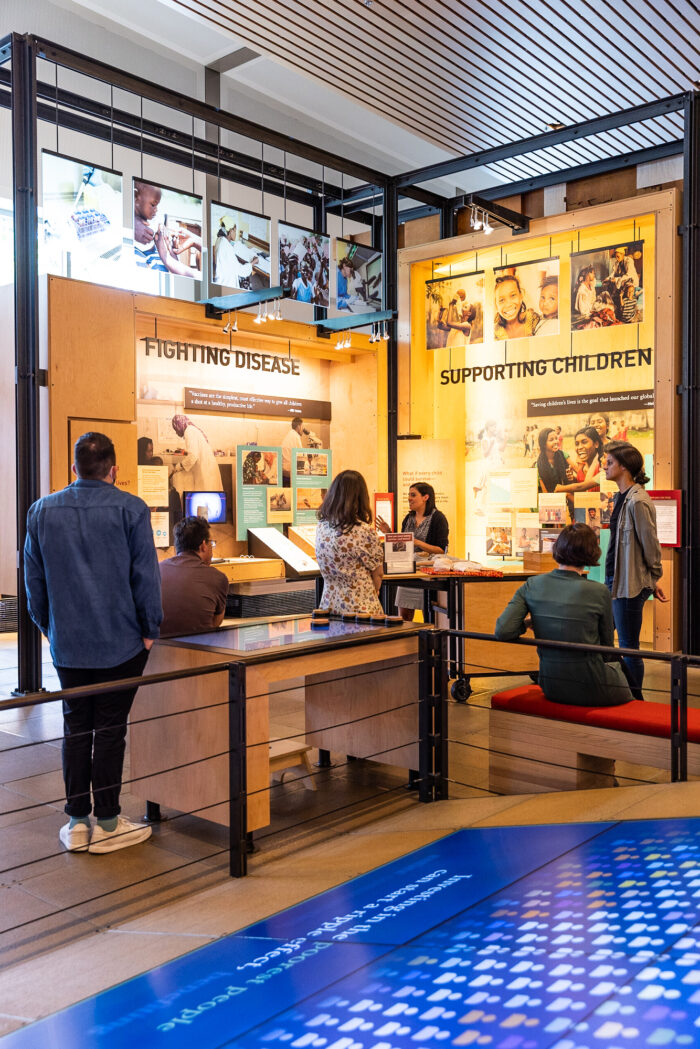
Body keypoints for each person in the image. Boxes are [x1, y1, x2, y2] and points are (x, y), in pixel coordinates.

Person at [24, 432, 162, 854]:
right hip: (121, 642)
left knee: (75, 727)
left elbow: (34, 581)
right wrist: (149, 630)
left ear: (74, 468)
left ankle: (77, 821)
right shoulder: (132, 509)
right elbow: (145, 578)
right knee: (111, 730)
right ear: (114, 469)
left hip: (69, 643)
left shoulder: (41, 511)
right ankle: (107, 821)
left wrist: (49, 626)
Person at [495, 524, 634, 707]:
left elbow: (503, 630)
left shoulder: (532, 585)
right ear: (592, 551)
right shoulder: (599, 591)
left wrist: (529, 622)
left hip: (551, 685)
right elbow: (606, 649)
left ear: (558, 548)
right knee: (626, 674)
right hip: (592, 686)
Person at [603, 440, 668, 699]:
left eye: (609, 462)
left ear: (624, 466)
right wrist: (652, 579)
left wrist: (653, 577)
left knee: (629, 647)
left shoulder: (637, 501)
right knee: (611, 639)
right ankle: (625, 694)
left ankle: (635, 701)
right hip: (617, 581)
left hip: (628, 585)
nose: (605, 467)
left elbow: (650, 545)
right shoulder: (621, 497)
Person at [377, 482, 449, 621]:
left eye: (413, 495)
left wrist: (417, 542)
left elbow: (441, 549)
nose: (409, 498)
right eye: (409, 495)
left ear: (425, 497)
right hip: (407, 572)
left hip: (427, 575)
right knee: (404, 617)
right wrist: (389, 533)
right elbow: (402, 547)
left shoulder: (438, 518)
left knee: (429, 617)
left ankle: (428, 642)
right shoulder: (408, 518)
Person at [315, 470, 384, 614]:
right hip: (361, 607)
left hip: (329, 605)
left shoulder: (321, 526)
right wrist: (375, 590)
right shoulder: (364, 531)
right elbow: (378, 574)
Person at [159, 516, 228, 637]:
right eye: (211, 543)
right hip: (199, 650)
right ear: (203, 546)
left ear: (176, 547)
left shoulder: (157, 570)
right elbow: (215, 623)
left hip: (157, 651)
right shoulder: (218, 578)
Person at [133, 181, 201, 278]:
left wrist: (167, 247)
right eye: (153, 205)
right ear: (135, 196)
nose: (156, 209)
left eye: (157, 205)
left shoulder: (155, 220)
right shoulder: (123, 217)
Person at [170, 415, 222, 492]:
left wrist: (179, 466)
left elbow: (193, 456)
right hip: (207, 469)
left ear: (179, 425)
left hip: (206, 471)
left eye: (176, 429)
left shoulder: (189, 431)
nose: (176, 432)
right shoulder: (192, 429)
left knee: (206, 497)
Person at [494, 274, 539, 340]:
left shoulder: (532, 319)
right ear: (496, 306)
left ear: (521, 296)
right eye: (501, 300)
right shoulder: (494, 334)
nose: (508, 304)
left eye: (513, 295)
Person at [536, 427, 571, 493]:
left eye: (556, 438)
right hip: (551, 498)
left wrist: (571, 477)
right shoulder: (539, 465)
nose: (556, 441)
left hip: (566, 494)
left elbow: (578, 472)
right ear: (543, 444)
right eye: (551, 440)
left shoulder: (563, 455)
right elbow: (545, 492)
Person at [282, 416, 304, 486]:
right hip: (289, 472)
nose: (303, 429)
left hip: (284, 471)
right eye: (302, 426)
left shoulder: (289, 435)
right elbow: (301, 455)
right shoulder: (295, 437)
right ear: (298, 426)